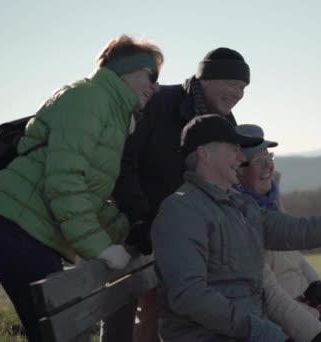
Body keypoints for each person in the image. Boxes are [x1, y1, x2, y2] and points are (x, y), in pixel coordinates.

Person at [0, 34, 163, 342]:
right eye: (151, 75)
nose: (156, 86)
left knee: (60, 334)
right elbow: (65, 182)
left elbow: (87, 194)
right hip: (14, 227)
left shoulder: (112, 112)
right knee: (61, 335)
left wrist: (128, 229)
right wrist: (100, 247)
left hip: (26, 229)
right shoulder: (90, 98)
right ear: (125, 70)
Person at [151, 114, 321, 341]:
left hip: (249, 328)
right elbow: (189, 295)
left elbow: (301, 231)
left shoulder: (240, 207)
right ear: (205, 153)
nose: (240, 158)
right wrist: (257, 330)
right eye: (234, 149)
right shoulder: (181, 212)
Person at [109, 47, 250, 342]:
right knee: (142, 313)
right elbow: (124, 160)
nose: (238, 93)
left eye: (243, 87)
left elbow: (226, 180)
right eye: (232, 84)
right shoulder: (161, 103)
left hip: (189, 235)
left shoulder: (226, 124)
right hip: (136, 228)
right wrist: (141, 217)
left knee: (166, 312)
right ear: (207, 79)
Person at [236, 124, 321, 342]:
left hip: (299, 299)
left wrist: (315, 281)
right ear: (238, 168)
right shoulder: (239, 213)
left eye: (269, 156)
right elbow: (265, 290)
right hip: (277, 308)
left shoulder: (271, 199)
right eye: (259, 160)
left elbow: (292, 250)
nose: (268, 166)